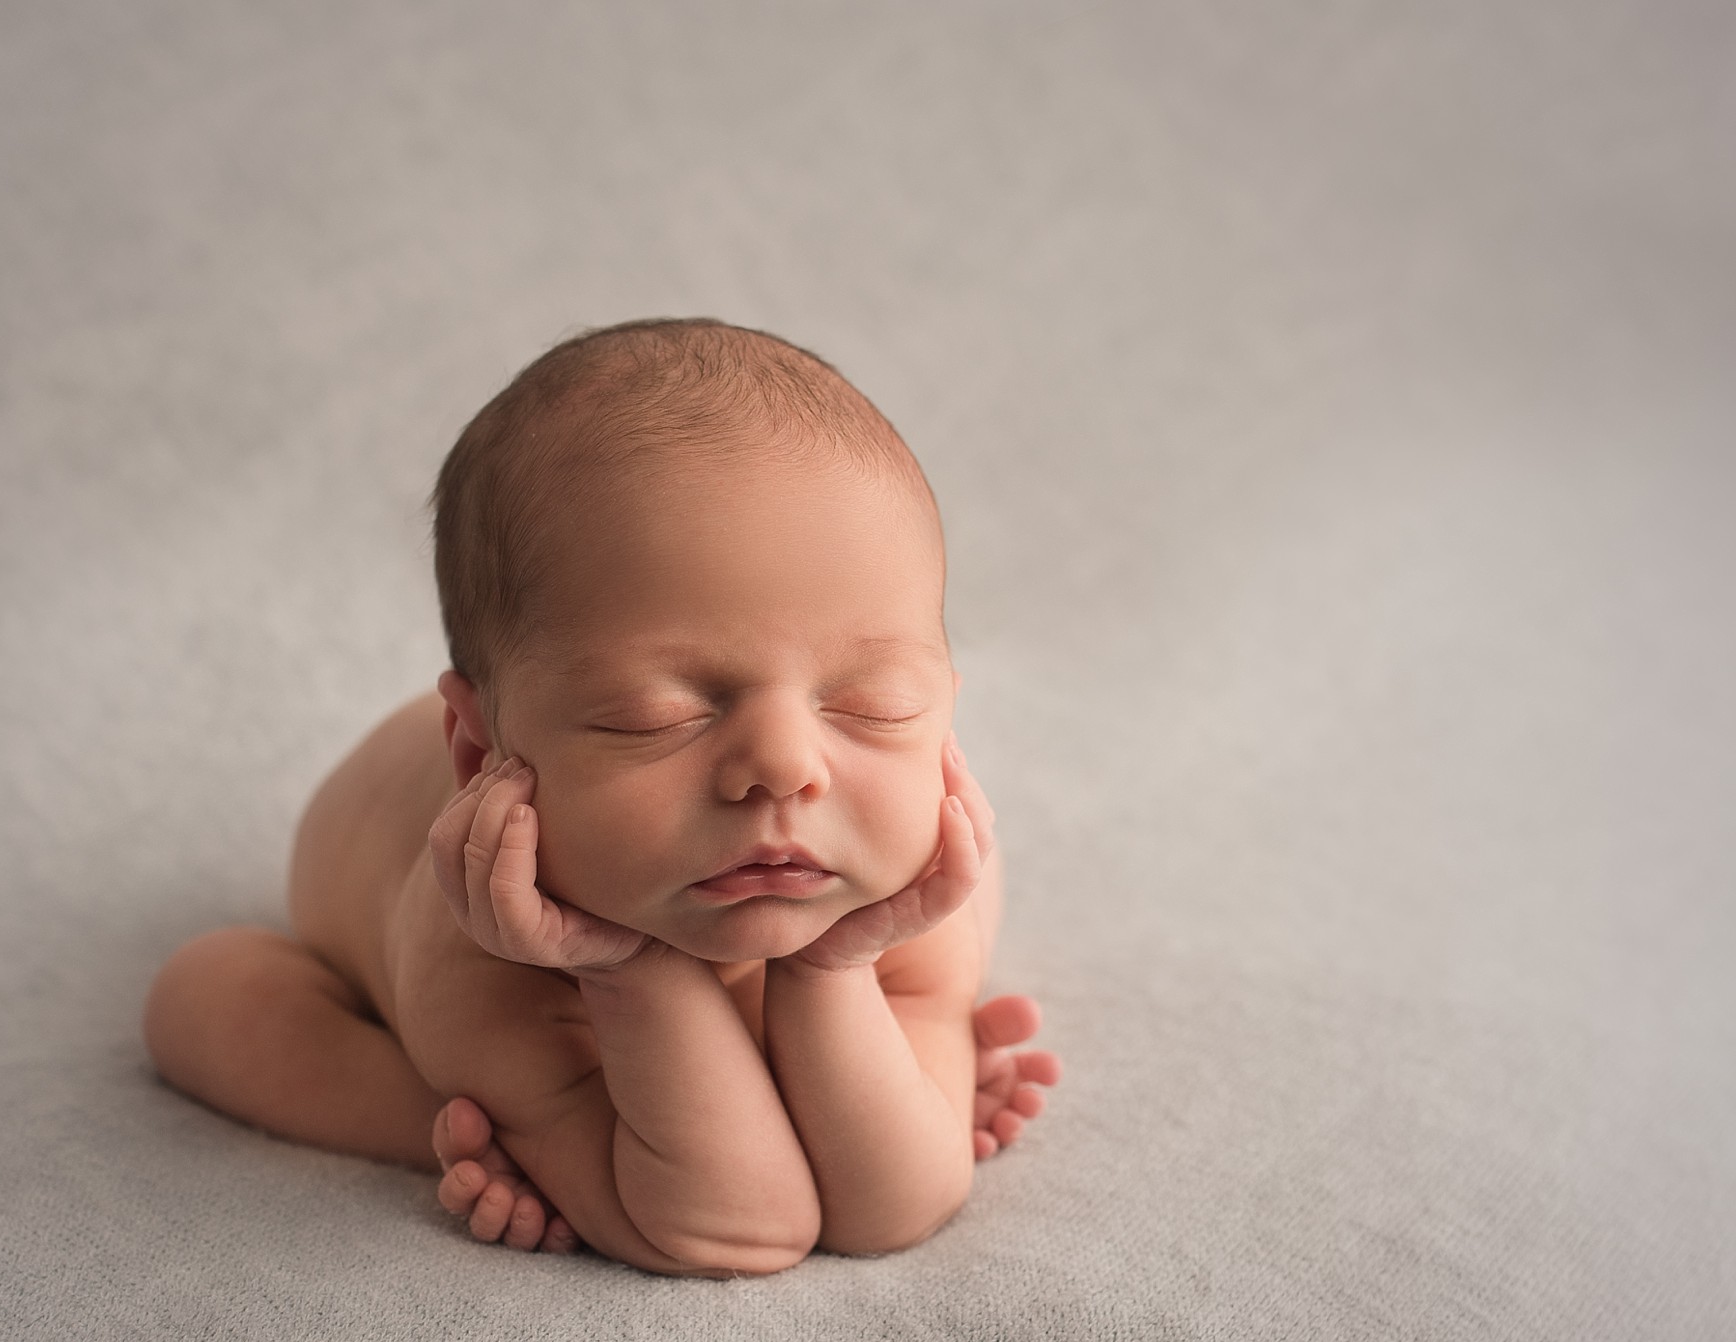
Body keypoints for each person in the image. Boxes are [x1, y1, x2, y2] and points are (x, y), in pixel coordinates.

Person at [143, 318, 1061, 1278]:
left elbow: (893, 1209)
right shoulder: (483, 957)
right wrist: (622, 971)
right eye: (652, 717)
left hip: (830, 898)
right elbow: (741, 1226)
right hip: (396, 879)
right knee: (210, 999)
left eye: (878, 708)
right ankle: (459, 1120)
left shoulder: (903, 890)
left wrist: (839, 968)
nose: (786, 768)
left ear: (946, 714)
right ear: (483, 752)